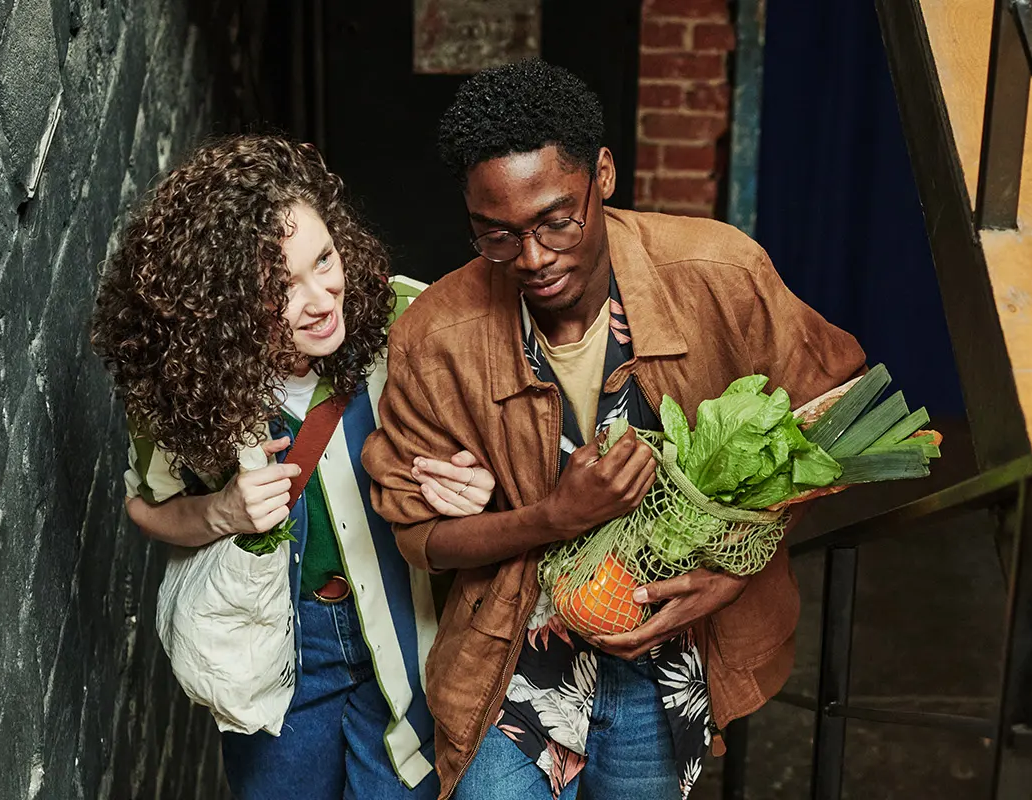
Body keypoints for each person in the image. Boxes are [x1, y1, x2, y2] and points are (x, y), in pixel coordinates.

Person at [362, 60, 866, 800]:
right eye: (495, 237)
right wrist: (554, 517)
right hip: (512, 657)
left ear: (602, 174)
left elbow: (842, 413)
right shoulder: (437, 335)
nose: (532, 259)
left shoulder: (718, 271)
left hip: (664, 659)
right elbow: (421, 539)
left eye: (555, 221)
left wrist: (733, 573)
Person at [90, 134, 499, 800]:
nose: (320, 297)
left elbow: (510, 437)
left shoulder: (409, 315)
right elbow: (147, 506)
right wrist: (222, 511)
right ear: (218, 307)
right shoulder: (186, 384)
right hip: (279, 649)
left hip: (409, 630)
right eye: (281, 287)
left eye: (324, 259)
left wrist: (481, 483)